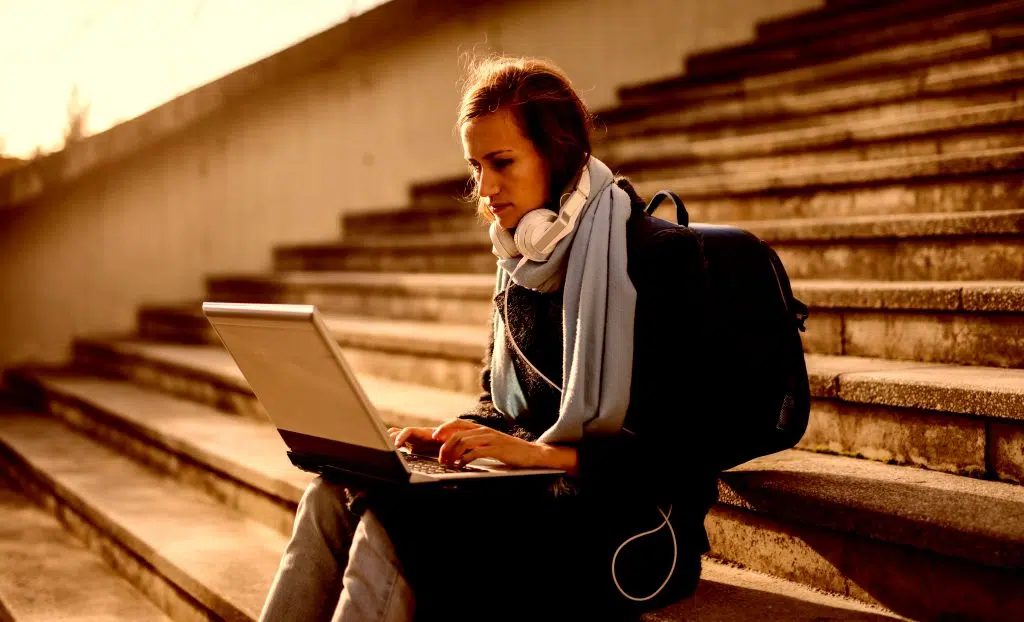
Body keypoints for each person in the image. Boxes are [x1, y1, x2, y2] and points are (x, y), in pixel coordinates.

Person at [258, 55, 720, 622]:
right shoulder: (521, 260)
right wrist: (457, 436)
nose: (485, 188)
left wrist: (542, 454)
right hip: (530, 491)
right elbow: (504, 402)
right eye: (476, 166)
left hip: (629, 525)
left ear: (557, 155)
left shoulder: (658, 258)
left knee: (396, 524)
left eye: (501, 162)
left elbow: (683, 455)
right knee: (330, 495)